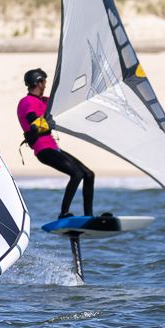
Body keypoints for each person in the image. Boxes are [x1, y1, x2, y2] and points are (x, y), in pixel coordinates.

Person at [18, 68, 95, 219]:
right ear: (38, 82)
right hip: (43, 150)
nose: (45, 84)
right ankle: (64, 213)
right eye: (44, 81)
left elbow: (62, 101)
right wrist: (46, 122)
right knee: (77, 173)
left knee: (89, 174)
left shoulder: (45, 101)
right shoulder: (26, 102)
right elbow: (33, 125)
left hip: (53, 148)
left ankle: (89, 217)